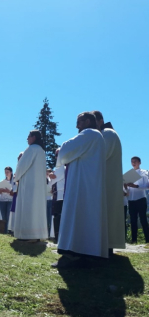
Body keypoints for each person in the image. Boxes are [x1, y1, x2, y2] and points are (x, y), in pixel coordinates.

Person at [52, 112, 108, 268]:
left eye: (80, 122)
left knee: (78, 215)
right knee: (87, 217)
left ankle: (76, 252)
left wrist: (59, 151)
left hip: (82, 185)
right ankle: (87, 252)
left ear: (88, 121)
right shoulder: (98, 137)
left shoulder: (89, 134)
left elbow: (65, 150)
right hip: (89, 184)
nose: (77, 125)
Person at [92, 110, 125, 252]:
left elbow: (100, 155)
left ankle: (106, 246)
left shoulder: (108, 134)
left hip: (107, 183)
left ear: (100, 121)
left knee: (107, 214)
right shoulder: (104, 134)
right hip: (104, 181)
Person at [13, 131, 48, 241]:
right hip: (38, 186)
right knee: (36, 209)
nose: (27, 139)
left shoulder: (31, 149)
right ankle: (37, 235)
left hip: (29, 185)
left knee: (28, 208)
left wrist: (16, 177)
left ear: (34, 137)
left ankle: (27, 235)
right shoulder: (41, 151)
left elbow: (22, 166)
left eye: (28, 136)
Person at [125, 156, 149, 244]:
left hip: (141, 199)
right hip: (131, 199)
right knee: (133, 220)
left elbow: (147, 186)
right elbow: (126, 190)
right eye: (132, 161)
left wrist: (136, 186)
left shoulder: (144, 173)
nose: (133, 163)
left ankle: (147, 239)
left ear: (139, 162)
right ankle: (134, 240)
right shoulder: (129, 174)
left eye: (135, 161)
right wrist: (125, 187)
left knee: (143, 219)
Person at [49, 149, 66, 243]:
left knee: (58, 216)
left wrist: (52, 176)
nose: (56, 157)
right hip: (57, 195)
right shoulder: (58, 168)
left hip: (61, 195)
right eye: (55, 155)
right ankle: (56, 236)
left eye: (58, 155)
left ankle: (59, 237)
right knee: (56, 216)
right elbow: (50, 182)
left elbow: (53, 180)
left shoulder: (62, 168)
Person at [0, 167, 14, 232]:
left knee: (8, 216)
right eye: (5, 172)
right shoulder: (3, 181)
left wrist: (8, 191)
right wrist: (0, 190)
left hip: (10, 200)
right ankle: (4, 230)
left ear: (11, 172)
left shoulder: (14, 182)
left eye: (7, 172)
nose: (6, 173)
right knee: (3, 216)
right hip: (2, 200)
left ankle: (8, 230)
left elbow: (14, 191)